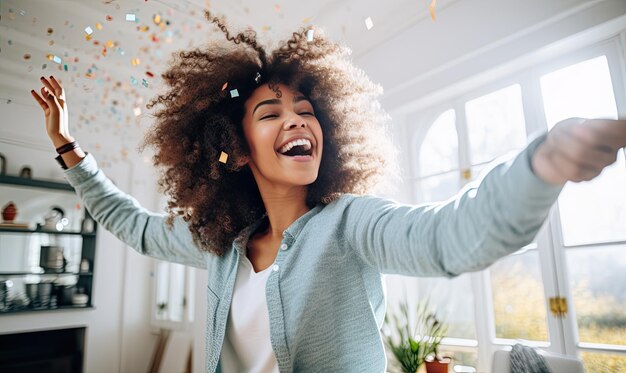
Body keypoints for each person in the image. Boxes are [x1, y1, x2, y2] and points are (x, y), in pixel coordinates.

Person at [30, 11, 626, 373]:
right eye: (270, 112)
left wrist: (540, 165)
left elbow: (448, 238)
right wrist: (68, 147)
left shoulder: (352, 224)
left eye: (307, 111)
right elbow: (129, 222)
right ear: (236, 149)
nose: (297, 121)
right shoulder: (218, 244)